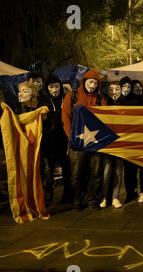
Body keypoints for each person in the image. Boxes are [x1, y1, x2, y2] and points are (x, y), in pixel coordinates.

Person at [61, 69, 107, 210]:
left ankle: (93, 199)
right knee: (76, 173)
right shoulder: (72, 96)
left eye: (95, 83)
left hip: (94, 141)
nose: (92, 85)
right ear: (84, 81)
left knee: (95, 172)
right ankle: (77, 199)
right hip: (77, 141)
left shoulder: (100, 99)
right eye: (90, 82)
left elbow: (105, 119)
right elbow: (65, 117)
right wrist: (71, 137)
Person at [40, 74, 72, 205]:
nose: (54, 89)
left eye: (56, 86)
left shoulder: (66, 99)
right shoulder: (43, 101)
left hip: (63, 141)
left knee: (67, 169)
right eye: (51, 87)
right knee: (49, 170)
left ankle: (67, 195)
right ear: (47, 88)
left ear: (60, 86)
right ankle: (48, 197)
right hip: (48, 143)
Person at [99, 82, 124, 209]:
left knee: (118, 170)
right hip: (107, 142)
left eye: (117, 89)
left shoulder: (125, 104)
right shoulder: (103, 103)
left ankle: (115, 197)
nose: (114, 92)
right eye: (111, 89)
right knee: (106, 170)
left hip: (120, 142)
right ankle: (104, 197)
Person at [119, 76, 140, 202]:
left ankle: (131, 191)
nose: (126, 89)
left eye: (128, 86)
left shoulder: (135, 102)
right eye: (124, 86)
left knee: (130, 168)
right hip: (117, 139)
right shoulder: (115, 101)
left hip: (131, 139)